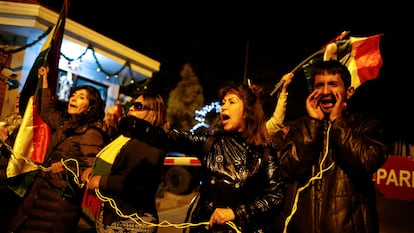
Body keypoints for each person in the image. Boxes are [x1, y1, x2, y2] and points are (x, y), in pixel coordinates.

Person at [121, 82, 285, 233]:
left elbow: (275, 196)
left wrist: (236, 212)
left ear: (247, 112)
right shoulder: (212, 143)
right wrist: (134, 125)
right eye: (223, 103)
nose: (223, 107)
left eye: (231, 102)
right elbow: (173, 137)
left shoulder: (265, 152)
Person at [275, 60, 389, 233]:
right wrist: (313, 124)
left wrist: (337, 123)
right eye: (319, 85)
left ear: (349, 92)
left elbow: (368, 160)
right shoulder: (300, 126)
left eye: (333, 84)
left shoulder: (366, 124)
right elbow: (288, 168)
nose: (326, 92)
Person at [7, 65, 106, 233]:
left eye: (81, 97)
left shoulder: (91, 133)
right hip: (38, 194)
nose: (74, 98)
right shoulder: (63, 123)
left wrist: (66, 168)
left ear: (90, 106)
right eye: (73, 95)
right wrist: (44, 80)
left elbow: (89, 172)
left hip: (57, 207)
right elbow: (46, 110)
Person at [81, 92, 168, 233]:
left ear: (155, 113)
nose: (132, 108)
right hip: (112, 214)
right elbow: (116, 165)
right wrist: (95, 170)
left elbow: (140, 183)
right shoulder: (128, 136)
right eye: (132, 104)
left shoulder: (152, 141)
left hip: (130, 221)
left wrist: (101, 181)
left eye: (139, 106)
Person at [0, 95, 22, 233]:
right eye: (17, 98)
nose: (18, 101)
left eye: (22, 99)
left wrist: (5, 139)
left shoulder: (25, 127)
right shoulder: (7, 120)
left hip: (7, 180)